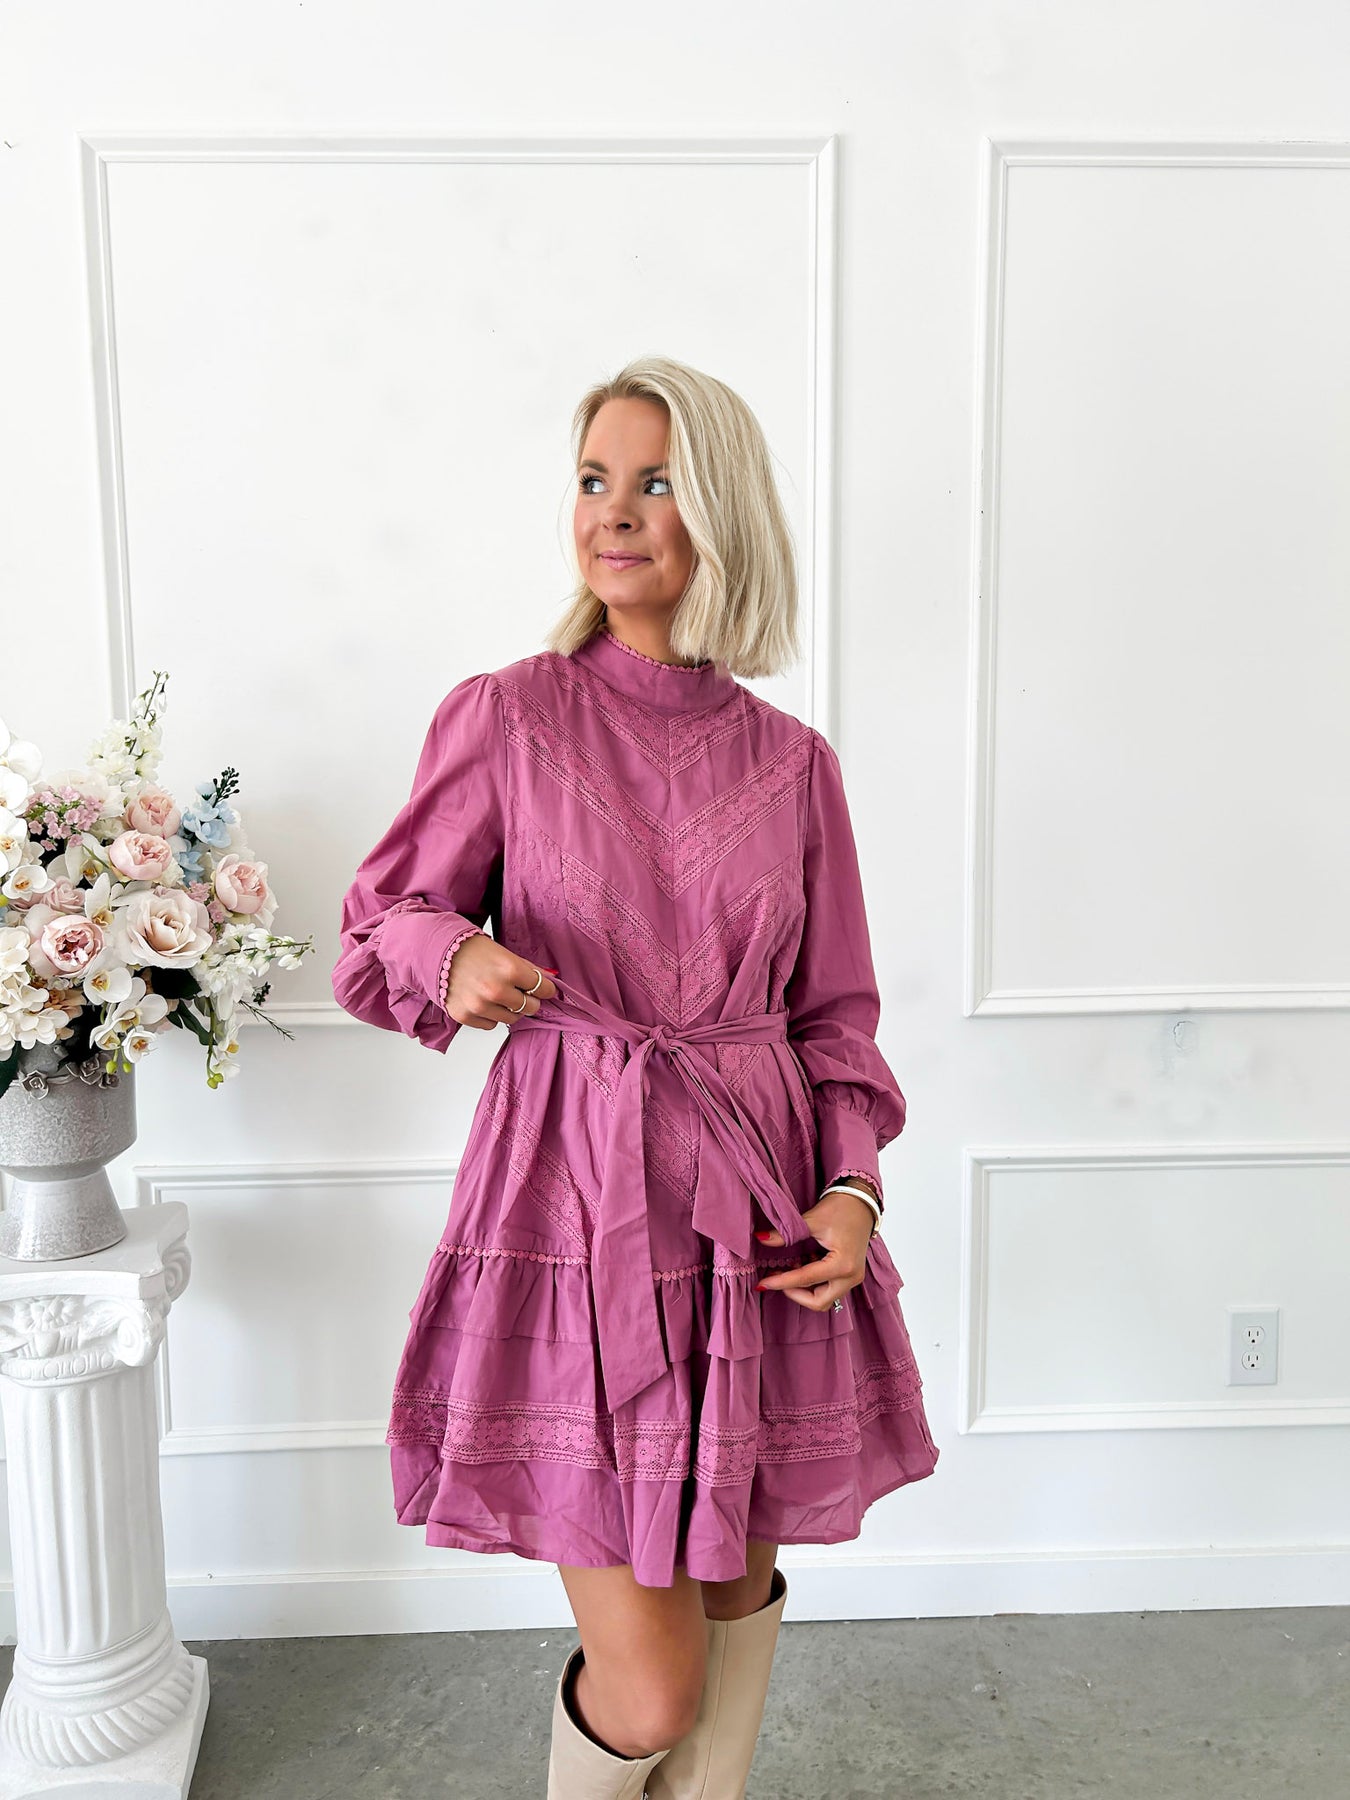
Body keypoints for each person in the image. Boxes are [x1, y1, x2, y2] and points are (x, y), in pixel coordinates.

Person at [332, 355, 940, 1799]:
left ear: (720, 511)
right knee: (653, 1679)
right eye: (594, 479)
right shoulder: (510, 715)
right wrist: (448, 956)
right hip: (576, 1197)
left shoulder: (794, 765)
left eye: (655, 482)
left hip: (755, 1221)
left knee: (734, 1601)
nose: (613, 511)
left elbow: (835, 1016)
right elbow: (376, 922)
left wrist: (852, 1192)